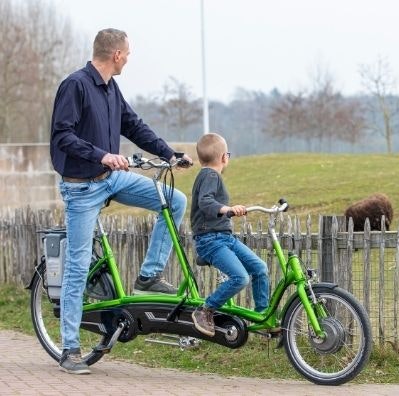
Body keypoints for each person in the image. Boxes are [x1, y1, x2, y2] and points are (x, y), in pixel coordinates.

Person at [50, 28, 193, 374]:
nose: (129, 58)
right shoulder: (76, 85)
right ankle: (69, 349)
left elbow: (133, 125)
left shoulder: (111, 89)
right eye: (127, 53)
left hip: (111, 178)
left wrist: (169, 153)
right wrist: (102, 155)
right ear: (115, 54)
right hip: (81, 188)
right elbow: (62, 135)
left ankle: (148, 275)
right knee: (78, 266)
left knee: (174, 200)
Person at [190, 132, 269, 337]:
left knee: (260, 268)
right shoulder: (210, 175)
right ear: (225, 157)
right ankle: (205, 310)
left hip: (224, 238)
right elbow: (205, 202)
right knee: (240, 277)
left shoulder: (208, 176)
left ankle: (262, 317)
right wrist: (228, 209)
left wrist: (228, 211)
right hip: (210, 240)